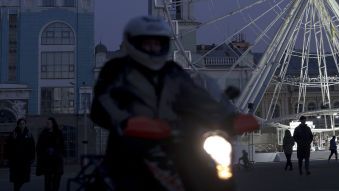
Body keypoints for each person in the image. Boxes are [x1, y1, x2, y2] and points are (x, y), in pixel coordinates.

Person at [90, 16, 241, 190]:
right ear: (133, 43)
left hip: (177, 142)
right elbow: (103, 102)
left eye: (157, 43)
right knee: (129, 181)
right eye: (147, 43)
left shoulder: (172, 71)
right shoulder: (117, 70)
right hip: (133, 144)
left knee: (208, 174)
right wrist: (126, 120)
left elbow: (197, 97)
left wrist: (227, 116)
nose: (153, 47)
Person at [6, 119, 35, 191]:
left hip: (25, 161)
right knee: (16, 179)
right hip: (15, 161)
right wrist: (7, 158)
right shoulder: (13, 134)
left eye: (23, 123)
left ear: (25, 124)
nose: (22, 125)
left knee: (23, 178)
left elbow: (32, 147)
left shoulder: (28, 134)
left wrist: (32, 158)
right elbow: (8, 146)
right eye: (20, 124)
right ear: (18, 125)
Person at [36, 117, 65, 191]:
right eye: (47, 123)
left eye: (49, 123)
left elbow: (62, 145)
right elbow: (39, 147)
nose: (47, 124)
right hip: (47, 162)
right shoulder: (43, 133)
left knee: (56, 182)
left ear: (53, 124)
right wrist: (43, 154)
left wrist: (59, 153)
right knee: (47, 182)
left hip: (57, 161)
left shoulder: (59, 133)